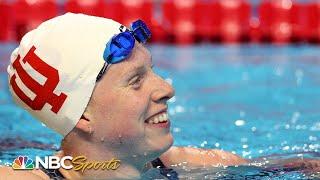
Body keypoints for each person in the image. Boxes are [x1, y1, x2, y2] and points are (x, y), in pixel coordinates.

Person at [1, 13, 318, 179]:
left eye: (151, 70)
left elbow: (296, 167)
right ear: (82, 115)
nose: (167, 89)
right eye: (136, 81)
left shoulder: (179, 165)